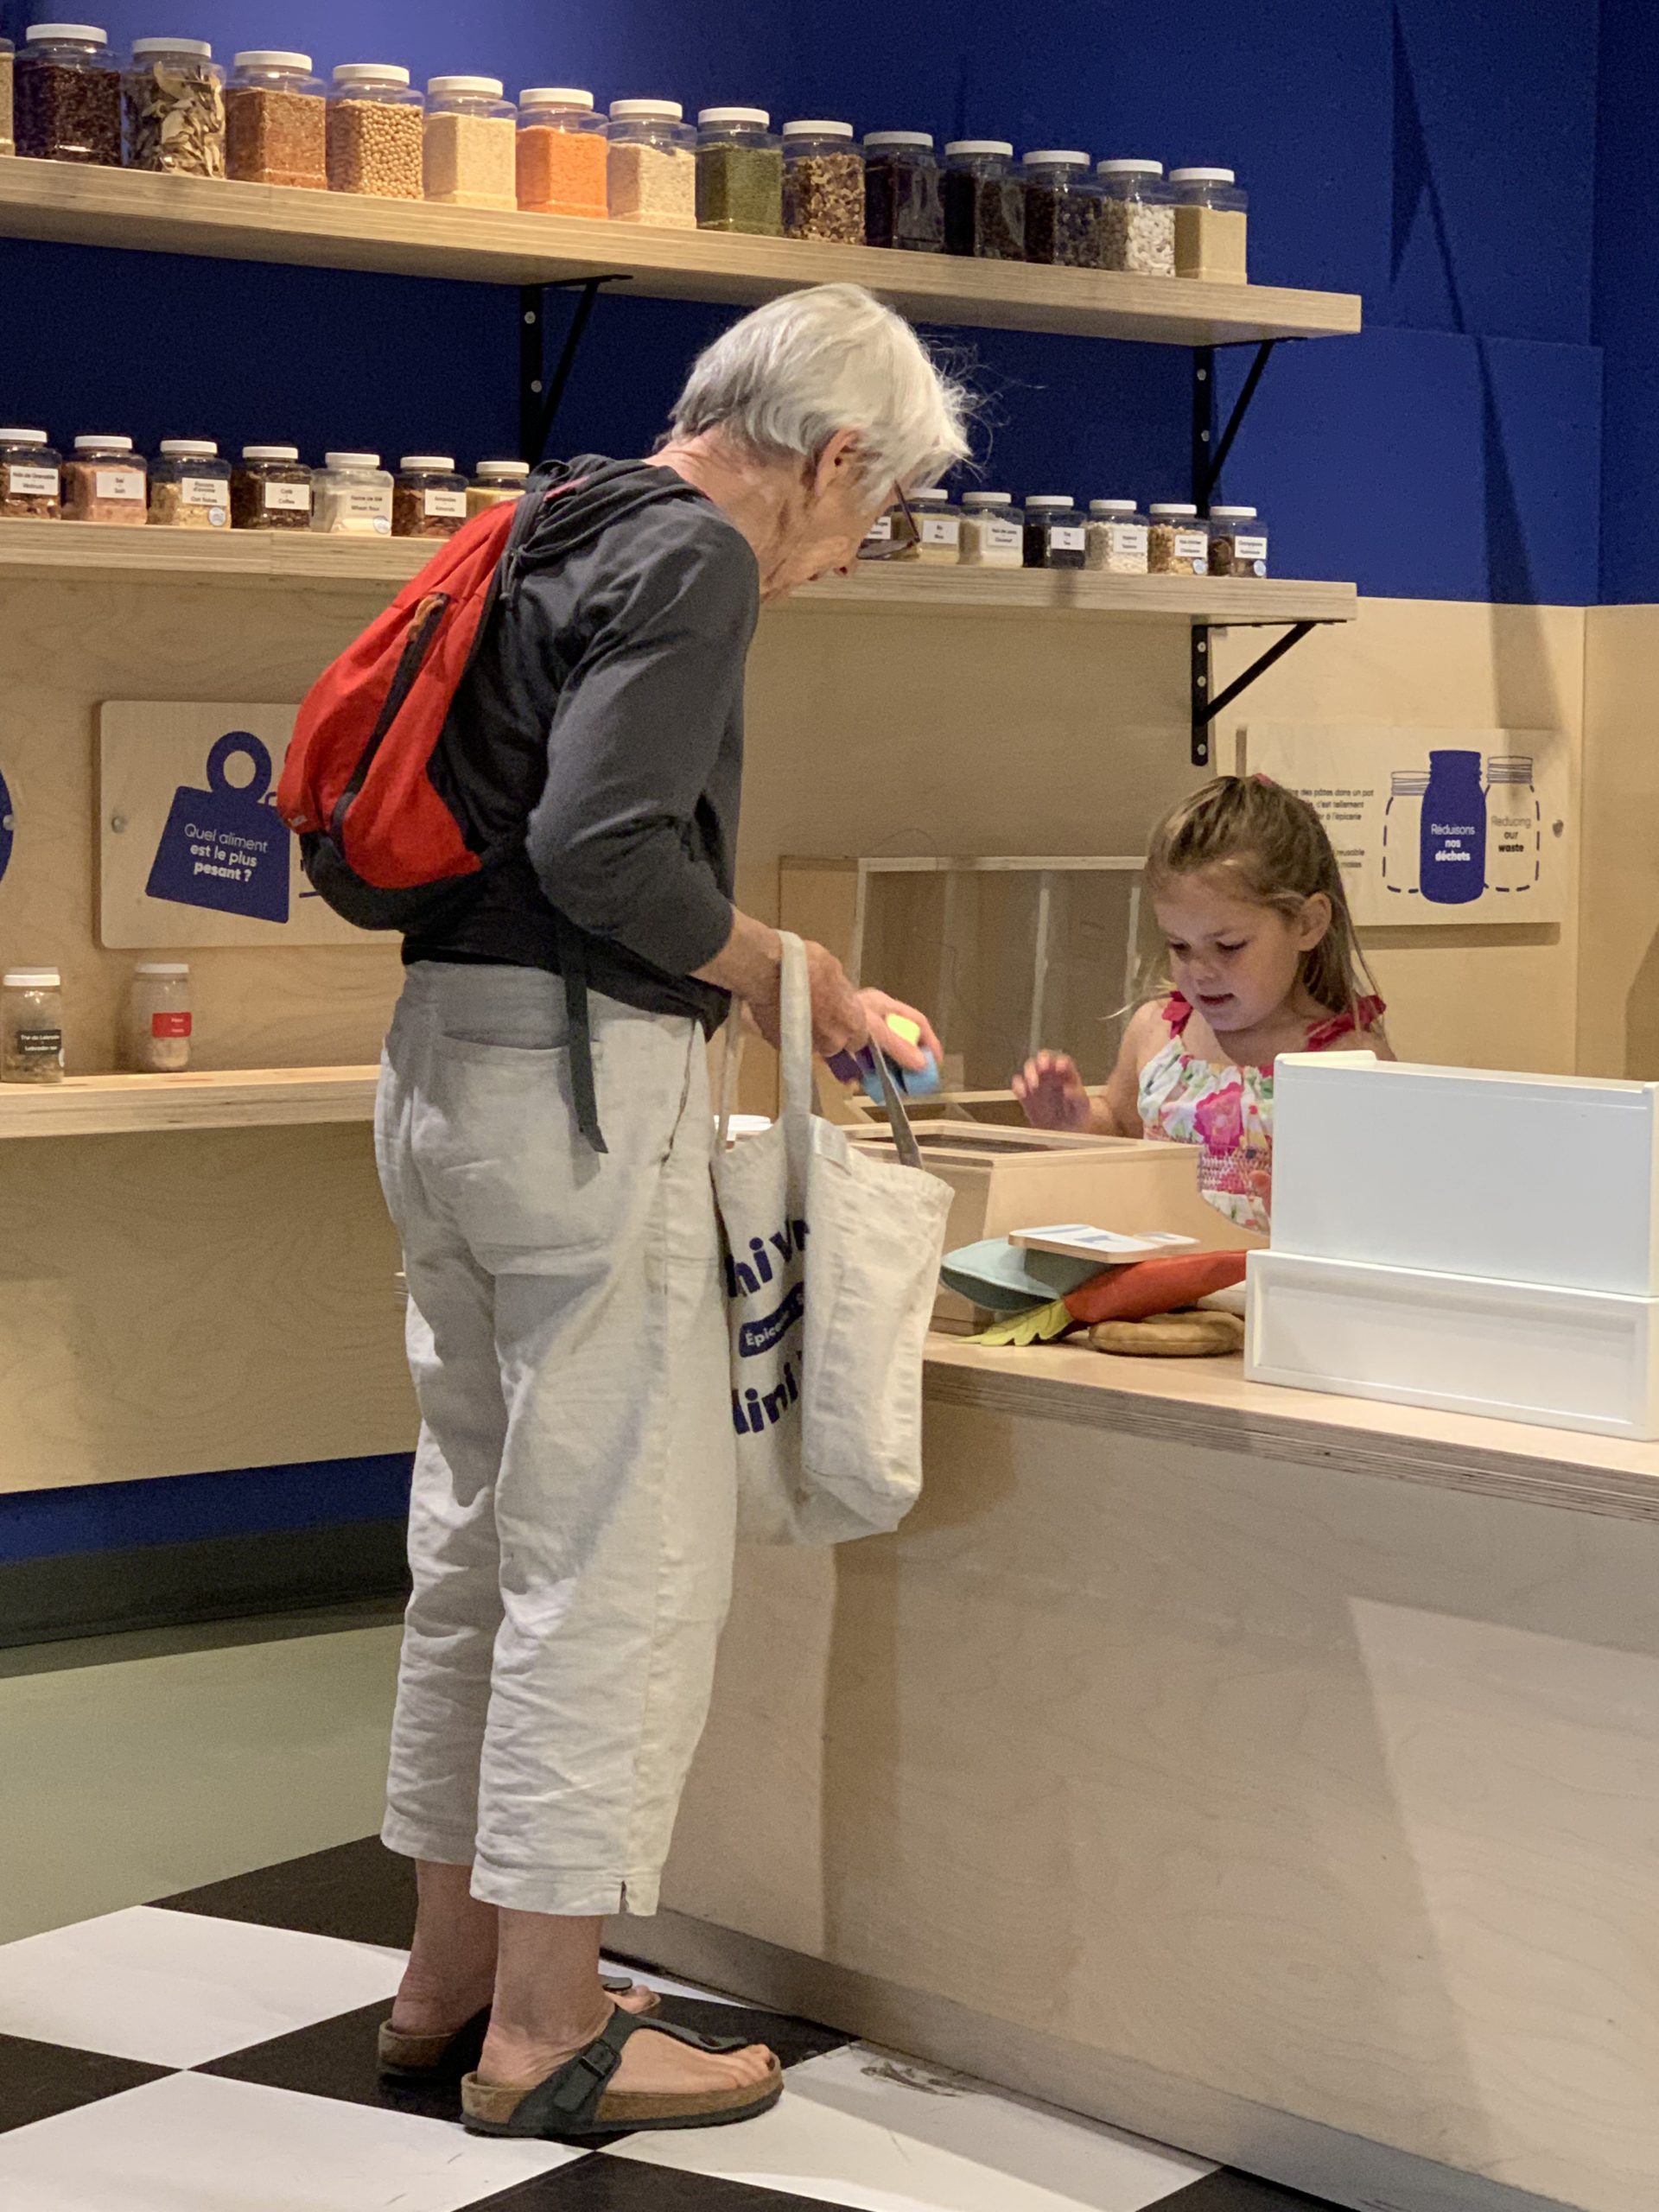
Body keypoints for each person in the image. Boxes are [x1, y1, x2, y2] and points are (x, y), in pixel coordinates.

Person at [372, 283, 970, 2140]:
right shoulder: (700, 557)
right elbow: (603, 850)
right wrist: (797, 973)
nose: (850, 557)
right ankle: (548, 2028)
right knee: (610, 1556)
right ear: (834, 455)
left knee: (477, 1536)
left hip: (439, 1071)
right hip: (579, 1088)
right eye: (875, 513)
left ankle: (448, 1975)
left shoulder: (550, 516)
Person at [1014, 775, 1391, 1231]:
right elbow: (1121, 1126)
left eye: (1229, 946)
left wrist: (1320, 1225)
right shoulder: (1155, 1031)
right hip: (1157, 1272)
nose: (1200, 971)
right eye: (1179, 946)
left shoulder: (1350, 1060)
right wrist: (1076, 1123)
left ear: (1308, 924)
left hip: (1262, 1276)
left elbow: (1384, 1208)